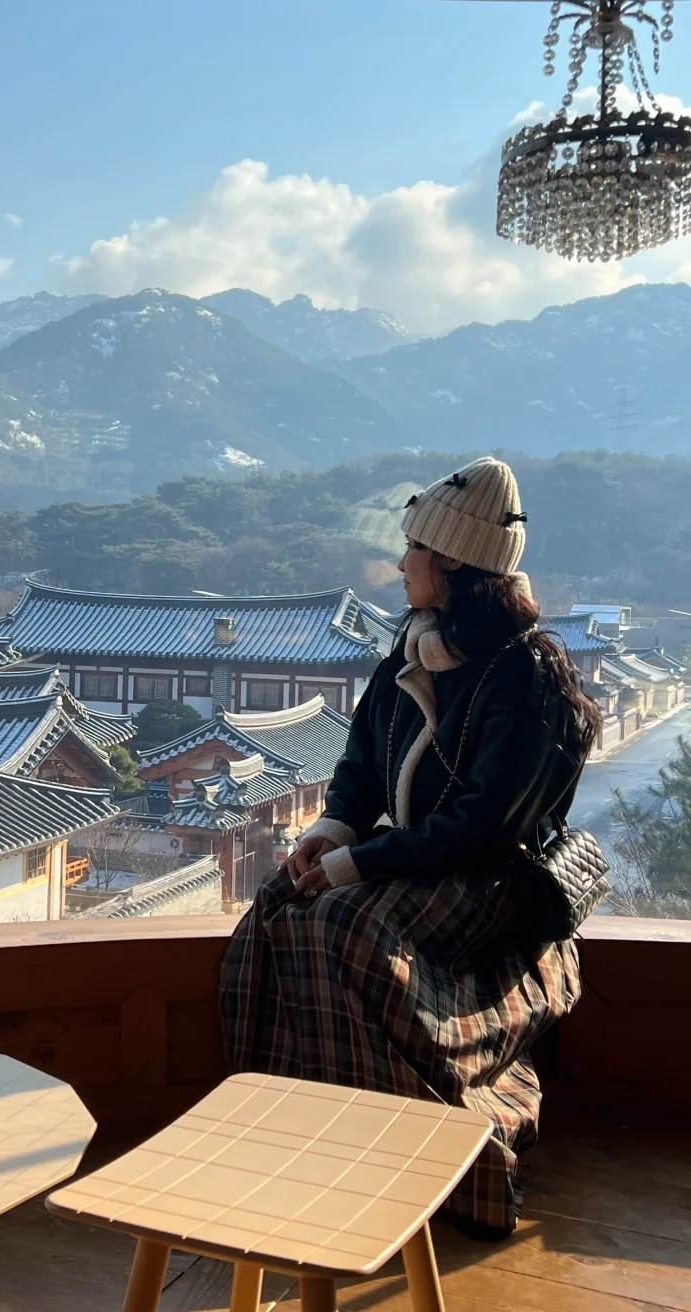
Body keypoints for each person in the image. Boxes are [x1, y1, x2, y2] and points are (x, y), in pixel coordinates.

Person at [219, 457, 600, 1239]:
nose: (400, 567)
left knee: (340, 928)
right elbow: (361, 767)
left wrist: (356, 866)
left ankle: (442, 1160)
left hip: (495, 883)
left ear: (453, 564)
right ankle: (297, 1130)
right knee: (275, 909)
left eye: (413, 552)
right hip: (414, 859)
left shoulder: (527, 674)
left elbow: (486, 830)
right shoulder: (410, 651)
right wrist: (329, 833)